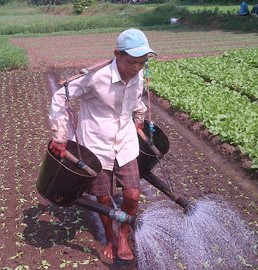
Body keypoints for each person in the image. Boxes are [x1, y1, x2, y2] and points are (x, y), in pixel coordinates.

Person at [48, 28, 154, 261]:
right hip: (96, 145)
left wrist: (137, 118)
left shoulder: (137, 75)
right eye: (132, 62)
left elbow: (136, 100)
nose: (137, 68)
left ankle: (124, 234)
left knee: (133, 195)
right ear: (117, 54)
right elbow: (60, 96)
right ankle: (110, 236)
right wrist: (60, 136)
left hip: (125, 142)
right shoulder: (95, 77)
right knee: (104, 199)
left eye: (142, 62)